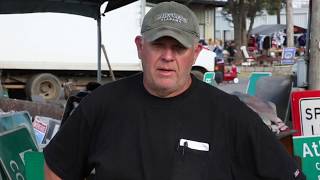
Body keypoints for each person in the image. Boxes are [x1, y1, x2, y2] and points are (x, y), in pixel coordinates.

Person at [44, 1, 305, 180]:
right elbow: (57, 166)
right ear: (140, 47)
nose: (168, 56)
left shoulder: (230, 115)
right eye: (159, 45)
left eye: (178, 47)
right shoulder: (101, 104)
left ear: (195, 53)